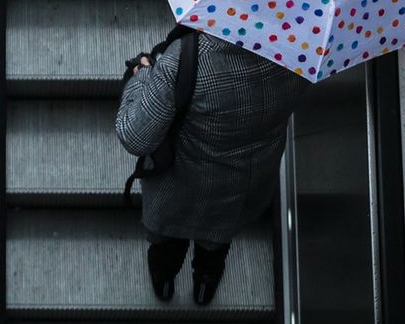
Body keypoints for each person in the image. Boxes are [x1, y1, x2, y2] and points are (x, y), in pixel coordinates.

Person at [116, 28, 313, 304]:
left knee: (168, 243)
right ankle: (204, 285)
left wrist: (142, 75)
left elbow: (134, 136)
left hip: (182, 183)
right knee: (217, 242)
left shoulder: (188, 57)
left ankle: (165, 279)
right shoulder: (308, 48)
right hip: (247, 182)